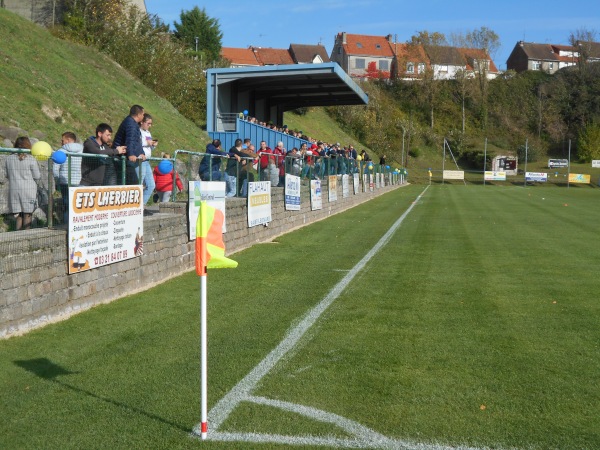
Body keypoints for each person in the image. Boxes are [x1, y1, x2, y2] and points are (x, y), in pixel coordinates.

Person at [4, 137, 40, 230]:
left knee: (18, 215)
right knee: (27, 214)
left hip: (14, 190)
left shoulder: (9, 159)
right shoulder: (31, 159)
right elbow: (37, 176)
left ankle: (18, 237)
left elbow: (7, 175)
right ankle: (27, 237)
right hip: (28, 190)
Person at [53, 131, 83, 223]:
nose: (61, 142)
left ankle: (66, 226)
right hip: (78, 182)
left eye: (62, 140)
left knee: (67, 205)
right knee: (77, 206)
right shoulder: (82, 150)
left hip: (64, 182)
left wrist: (57, 180)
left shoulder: (60, 152)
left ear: (68, 140)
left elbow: (55, 169)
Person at [112, 104, 145, 186]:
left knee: (130, 185)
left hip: (125, 159)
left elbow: (137, 141)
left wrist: (141, 152)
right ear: (138, 115)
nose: (144, 116)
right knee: (132, 186)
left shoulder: (132, 123)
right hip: (123, 159)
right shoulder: (131, 124)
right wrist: (131, 154)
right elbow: (130, 140)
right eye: (143, 114)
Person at [139, 113, 157, 206]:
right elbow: (138, 143)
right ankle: (137, 207)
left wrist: (152, 145)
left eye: (151, 124)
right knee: (139, 184)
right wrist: (148, 142)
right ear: (142, 122)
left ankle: (142, 205)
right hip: (140, 161)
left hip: (147, 161)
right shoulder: (138, 131)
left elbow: (148, 146)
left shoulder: (148, 133)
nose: (149, 126)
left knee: (151, 185)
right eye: (148, 123)